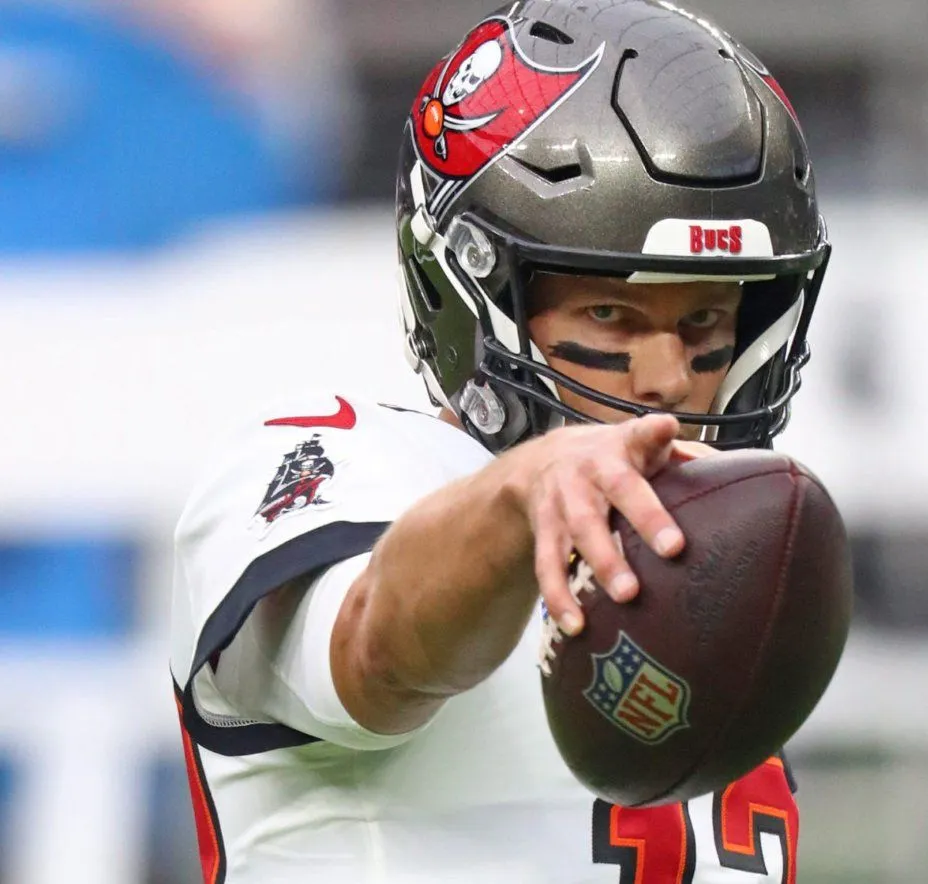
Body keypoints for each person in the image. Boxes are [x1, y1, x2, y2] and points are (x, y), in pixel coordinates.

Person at [169, 0, 832, 881]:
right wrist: (527, 488)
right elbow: (376, 649)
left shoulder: (716, 563)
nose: (668, 380)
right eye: (611, 313)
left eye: (705, 318)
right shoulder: (330, 461)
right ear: (469, 289)